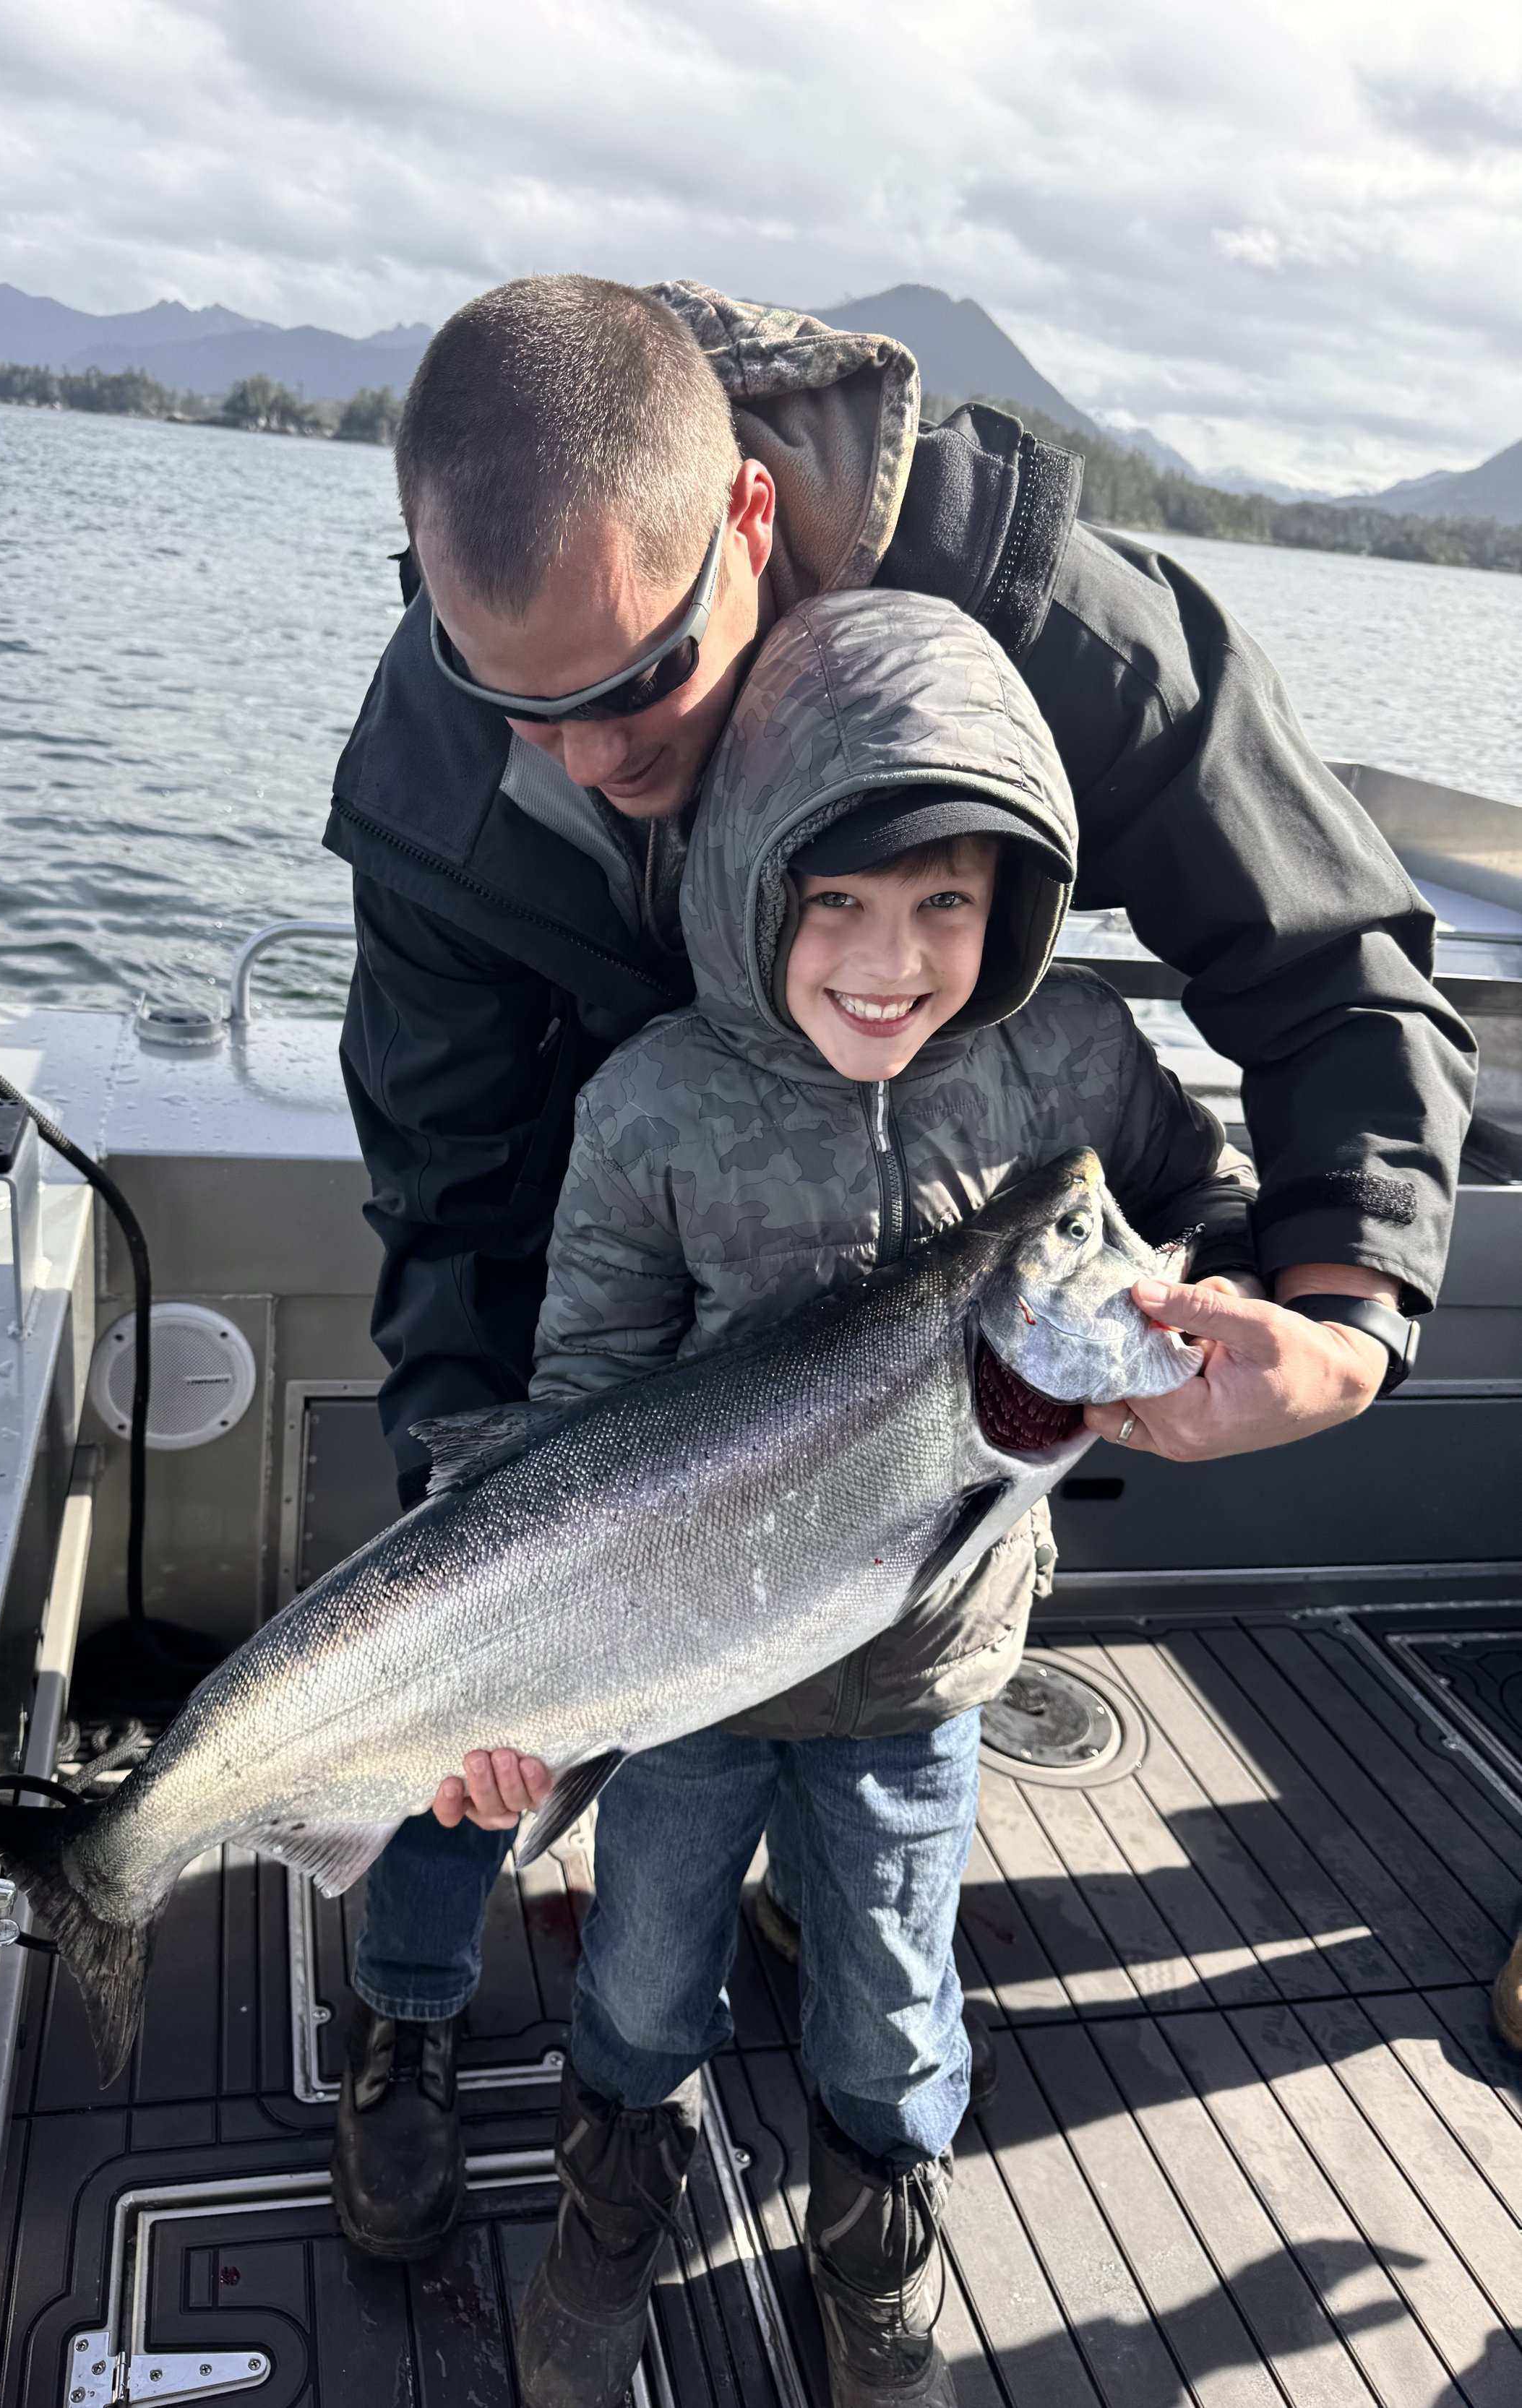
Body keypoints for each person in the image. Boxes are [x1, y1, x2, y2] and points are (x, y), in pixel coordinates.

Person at [322, 275, 1474, 2265]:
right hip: (610, 1191)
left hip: (906, 1231)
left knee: (888, 1594)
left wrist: (1346, 1321)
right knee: (469, 1609)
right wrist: (476, 1526)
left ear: (750, 527)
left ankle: (795, 1893)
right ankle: (404, 2006)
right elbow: (448, 1189)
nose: (585, 759)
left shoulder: (1052, 630)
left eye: (644, 686)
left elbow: (1326, 960)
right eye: (523, 702)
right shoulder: (437, 758)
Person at [506, 584, 1255, 2407]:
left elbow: (1197, 1189)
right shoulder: (651, 1105)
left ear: (1011, 902)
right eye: (831, 899)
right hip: (679, 1687)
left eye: (943, 900)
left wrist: (1223, 1291)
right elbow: (578, 1416)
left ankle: (871, 2239)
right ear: (749, 882)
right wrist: (522, 1694)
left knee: (893, 1998)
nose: (884, 956)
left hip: (924, 1679)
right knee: (638, 1972)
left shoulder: (1069, 1057)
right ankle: (611, 2200)